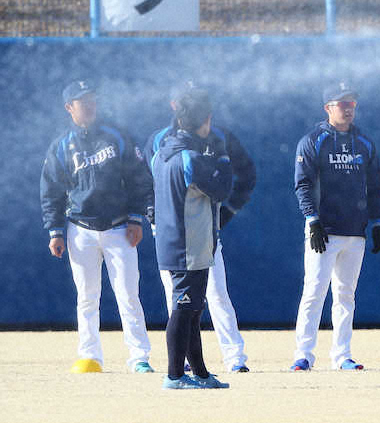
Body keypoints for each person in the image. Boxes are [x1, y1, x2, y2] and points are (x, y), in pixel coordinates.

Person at [40, 80, 155, 374]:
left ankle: (139, 356)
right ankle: (90, 355)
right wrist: (55, 231)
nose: (89, 105)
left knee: (128, 294)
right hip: (81, 229)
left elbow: (139, 178)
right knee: (88, 296)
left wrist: (135, 217)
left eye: (92, 99)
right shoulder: (62, 146)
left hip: (119, 228)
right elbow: (51, 190)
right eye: (82, 101)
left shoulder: (116, 136)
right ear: (69, 108)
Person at [146, 82, 256, 373]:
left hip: (203, 229)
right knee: (182, 302)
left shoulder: (217, 137)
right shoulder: (162, 142)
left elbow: (246, 176)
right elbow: (147, 183)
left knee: (212, 295)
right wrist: (152, 213)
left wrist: (228, 213)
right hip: (177, 231)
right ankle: (178, 367)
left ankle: (232, 357)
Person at [290, 82, 380, 372]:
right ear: (327, 108)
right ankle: (303, 354)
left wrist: (377, 222)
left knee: (345, 295)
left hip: (354, 232)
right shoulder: (314, 140)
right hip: (323, 231)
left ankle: (342, 355)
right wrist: (312, 219)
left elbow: (375, 187)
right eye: (341, 103)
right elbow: (302, 184)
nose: (347, 109)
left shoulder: (365, 143)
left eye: (351, 104)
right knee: (315, 291)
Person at [151, 88, 233, 389]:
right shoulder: (190, 157)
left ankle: (198, 373)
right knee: (185, 307)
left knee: (192, 309)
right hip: (188, 244)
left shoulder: (161, 152)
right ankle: (174, 375)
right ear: (205, 120)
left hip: (176, 241)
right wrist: (222, 157)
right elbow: (222, 189)